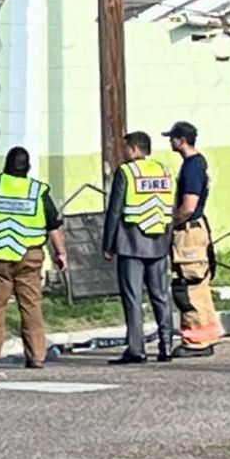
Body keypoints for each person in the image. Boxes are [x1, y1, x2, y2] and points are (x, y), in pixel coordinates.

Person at [0, 147, 68, 371]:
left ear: (6, 165)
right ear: (28, 168)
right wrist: (60, 254)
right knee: (31, 306)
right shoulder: (36, 191)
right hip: (29, 255)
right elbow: (53, 226)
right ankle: (36, 356)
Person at [102, 132, 175, 364]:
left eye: (126, 148)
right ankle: (167, 345)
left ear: (134, 149)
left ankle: (137, 349)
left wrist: (108, 244)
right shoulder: (164, 171)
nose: (124, 153)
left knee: (133, 298)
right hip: (159, 242)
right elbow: (169, 207)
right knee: (161, 296)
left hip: (131, 242)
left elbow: (115, 210)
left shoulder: (126, 172)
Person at [164, 121, 223, 357]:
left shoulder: (191, 167)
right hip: (198, 229)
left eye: (172, 138)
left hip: (189, 232)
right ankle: (206, 335)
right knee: (200, 285)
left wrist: (171, 224)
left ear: (181, 140)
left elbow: (188, 207)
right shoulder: (199, 163)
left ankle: (196, 342)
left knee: (188, 286)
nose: (170, 142)